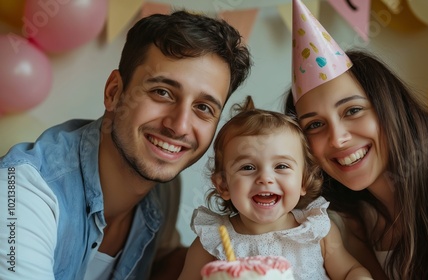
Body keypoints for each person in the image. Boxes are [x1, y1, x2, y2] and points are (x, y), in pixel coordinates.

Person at [0, 11, 251, 280]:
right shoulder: (22, 193)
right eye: (162, 92)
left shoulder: (163, 189)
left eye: (203, 108)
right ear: (114, 92)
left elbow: (158, 261)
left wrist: (237, 250)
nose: (178, 126)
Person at [284, 1, 428, 278]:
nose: (337, 139)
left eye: (353, 110)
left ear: (389, 106)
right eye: (315, 125)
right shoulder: (356, 219)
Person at [178, 96, 373, 280]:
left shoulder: (317, 232)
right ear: (223, 185)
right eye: (248, 167)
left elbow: (350, 271)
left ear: (304, 181)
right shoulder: (211, 243)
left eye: (281, 166)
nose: (265, 178)